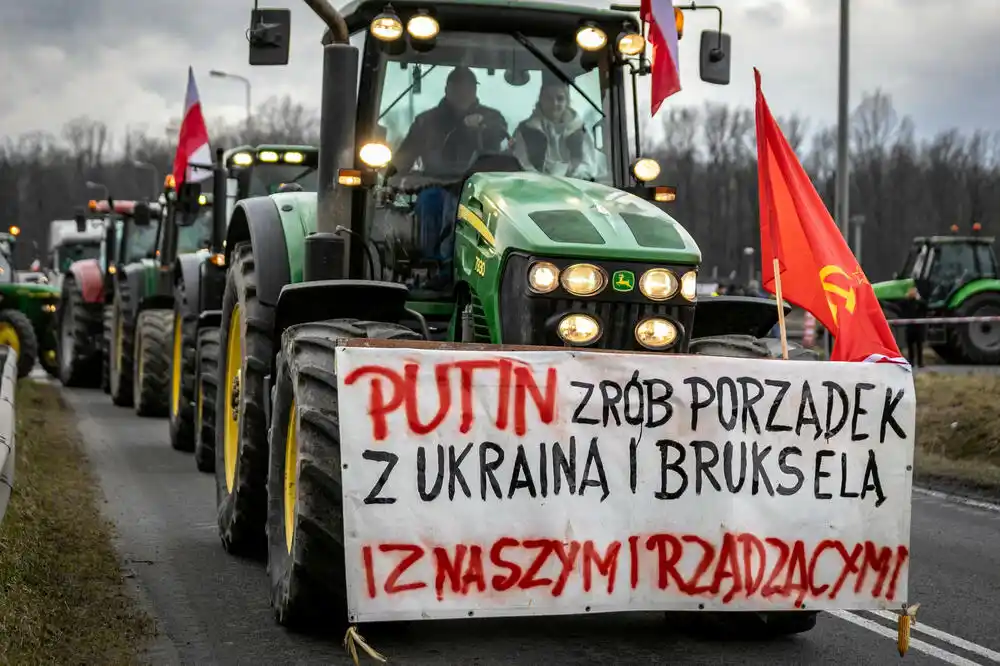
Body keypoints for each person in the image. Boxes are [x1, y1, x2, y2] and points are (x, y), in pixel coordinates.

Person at [390, 67, 508, 290]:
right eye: (457, 87)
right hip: (436, 183)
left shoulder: (492, 119)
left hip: (479, 187)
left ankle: (488, 270)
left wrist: (482, 129)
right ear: (447, 89)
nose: (463, 92)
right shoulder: (426, 122)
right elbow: (402, 160)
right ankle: (436, 266)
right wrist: (390, 176)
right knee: (431, 201)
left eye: (468, 87)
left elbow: (499, 139)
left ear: (475, 90)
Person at [511, 74, 602, 180]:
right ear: (541, 100)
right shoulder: (525, 130)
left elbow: (588, 165)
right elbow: (522, 164)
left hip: (574, 187)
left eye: (560, 98)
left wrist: (571, 179)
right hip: (535, 188)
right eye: (549, 98)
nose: (554, 103)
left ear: (567, 102)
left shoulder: (580, 130)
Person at [903, 285, 925, 367]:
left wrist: (919, 299)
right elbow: (900, 306)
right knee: (910, 346)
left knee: (919, 345)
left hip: (918, 327)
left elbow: (924, 306)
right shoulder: (907, 302)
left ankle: (920, 362)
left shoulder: (919, 302)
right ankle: (911, 361)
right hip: (910, 327)